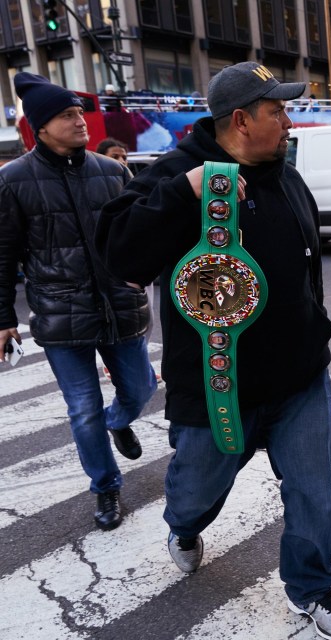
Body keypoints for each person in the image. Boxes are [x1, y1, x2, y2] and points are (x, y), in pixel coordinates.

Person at [95, 61, 331, 640]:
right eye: (277, 111)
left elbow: (306, 266)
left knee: (314, 489)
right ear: (240, 120)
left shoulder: (284, 173)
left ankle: (311, 587)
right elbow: (118, 250)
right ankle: (183, 529)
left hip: (299, 378)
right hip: (217, 387)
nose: (289, 121)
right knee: (196, 493)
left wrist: (314, 325)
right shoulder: (181, 172)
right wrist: (181, 195)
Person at [0, 73, 157, 531]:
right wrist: (4, 317)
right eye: (66, 115)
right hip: (60, 313)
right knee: (81, 408)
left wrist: (141, 274)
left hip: (120, 304)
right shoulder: (13, 181)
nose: (79, 121)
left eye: (78, 112)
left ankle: (119, 419)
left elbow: (140, 233)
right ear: (42, 127)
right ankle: (106, 486)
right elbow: (4, 254)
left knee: (142, 389)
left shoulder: (113, 171)